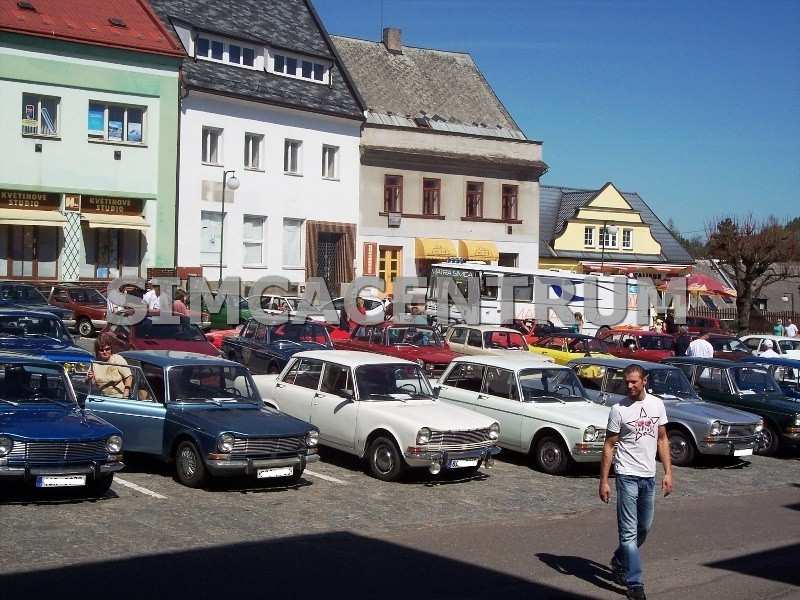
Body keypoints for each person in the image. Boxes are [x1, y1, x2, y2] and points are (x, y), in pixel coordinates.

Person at [599, 364, 672, 600]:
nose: (629, 386)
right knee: (629, 533)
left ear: (644, 381)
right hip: (626, 475)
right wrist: (604, 481)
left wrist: (668, 472)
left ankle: (620, 559)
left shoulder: (656, 404)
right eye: (626, 382)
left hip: (648, 475)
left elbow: (662, 439)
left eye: (634, 382)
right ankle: (635, 583)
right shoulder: (618, 410)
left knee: (644, 527)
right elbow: (609, 446)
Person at [87, 333, 132, 398]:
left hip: (119, 396)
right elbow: (91, 383)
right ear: (97, 351)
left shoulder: (117, 359)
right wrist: (90, 378)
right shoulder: (94, 363)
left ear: (111, 348)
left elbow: (129, 377)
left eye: (107, 349)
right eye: (101, 350)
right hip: (102, 397)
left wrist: (126, 394)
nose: (105, 352)